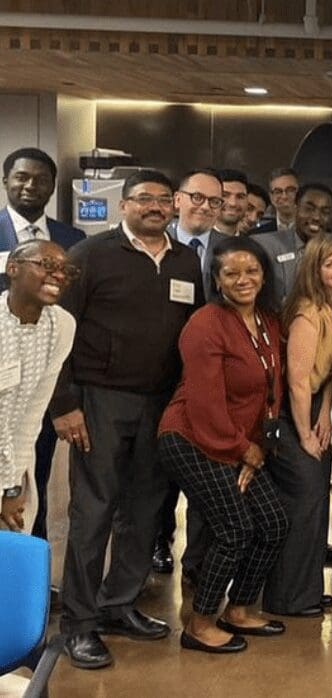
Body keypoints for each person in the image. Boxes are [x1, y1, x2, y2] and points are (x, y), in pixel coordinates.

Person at [49, 169, 203, 670]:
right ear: (123, 206)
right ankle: (79, 623)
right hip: (99, 400)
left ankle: (119, 605)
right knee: (92, 513)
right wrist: (65, 403)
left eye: (163, 200)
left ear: (174, 206)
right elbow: (59, 333)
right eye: (144, 200)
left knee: (144, 511)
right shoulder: (91, 256)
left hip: (160, 403)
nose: (155, 207)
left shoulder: (186, 261)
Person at [157, 235, 290, 654]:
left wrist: (257, 447)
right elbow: (205, 403)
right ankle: (200, 623)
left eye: (251, 270)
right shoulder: (206, 323)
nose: (243, 279)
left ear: (264, 274)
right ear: (216, 279)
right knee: (234, 530)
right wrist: (241, 450)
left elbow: (272, 390)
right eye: (230, 273)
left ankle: (241, 610)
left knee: (273, 523)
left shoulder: (268, 322)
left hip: (240, 444)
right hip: (191, 437)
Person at [262, 234, 332, 617]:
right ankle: (286, 597)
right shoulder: (307, 312)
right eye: (330, 264)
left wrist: (324, 416)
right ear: (314, 269)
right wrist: (304, 432)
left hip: (313, 408)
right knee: (302, 499)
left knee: (317, 500)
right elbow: (297, 380)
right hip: (288, 414)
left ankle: (306, 590)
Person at [0, 147, 85, 543]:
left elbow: (27, 418)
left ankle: (27, 586)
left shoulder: (72, 239)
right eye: (21, 177)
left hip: (30, 416)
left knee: (29, 501)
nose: (30, 185)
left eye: (62, 269)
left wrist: (14, 485)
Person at [157, 168, 229, 577]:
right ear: (177, 200)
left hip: (212, 379)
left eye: (213, 202)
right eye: (196, 198)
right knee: (156, 478)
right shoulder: (156, 244)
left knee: (207, 470)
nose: (204, 207)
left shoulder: (231, 247)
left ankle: (199, 562)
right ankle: (159, 541)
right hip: (158, 375)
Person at [0, 240, 76, 534]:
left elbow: (34, 411)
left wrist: (11, 486)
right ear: (13, 269)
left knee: (13, 549)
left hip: (17, 457)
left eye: (65, 270)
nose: (58, 275)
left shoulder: (62, 325)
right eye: (47, 265)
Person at [256, 183, 332, 305]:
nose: (316, 217)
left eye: (325, 212)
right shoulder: (266, 244)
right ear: (295, 208)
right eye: (309, 209)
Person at [213, 169, 249, 237]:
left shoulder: (253, 244)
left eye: (240, 196)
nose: (233, 203)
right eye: (224, 195)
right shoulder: (195, 241)